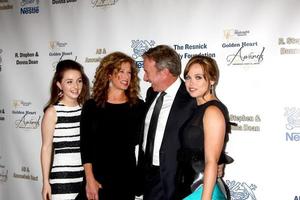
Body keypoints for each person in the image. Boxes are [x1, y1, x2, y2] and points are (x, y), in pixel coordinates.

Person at [79, 52, 145, 200]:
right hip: (97, 179)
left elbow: (143, 146)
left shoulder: (138, 106)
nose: (126, 76)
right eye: (121, 71)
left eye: (129, 72)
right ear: (109, 74)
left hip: (125, 180)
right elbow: (85, 146)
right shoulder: (92, 106)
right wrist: (89, 180)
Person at [136, 45, 197, 200]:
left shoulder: (192, 99)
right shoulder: (151, 93)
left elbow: (204, 137)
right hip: (147, 177)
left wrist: (216, 161)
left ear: (164, 73)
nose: (145, 78)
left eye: (147, 72)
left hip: (174, 180)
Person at [175, 55, 232, 200]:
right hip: (188, 187)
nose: (191, 83)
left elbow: (211, 161)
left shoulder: (212, 111)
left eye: (198, 77)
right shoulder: (196, 107)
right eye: (188, 77)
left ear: (212, 80)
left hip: (202, 190)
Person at [40, 59, 90, 200]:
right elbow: (46, 148)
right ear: (59, 85)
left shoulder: (86, 110)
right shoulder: (53, 112)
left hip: (86, 179)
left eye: (79, 81)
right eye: (69, 82)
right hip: (63, 179)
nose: (75, 86)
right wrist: (45, 182)